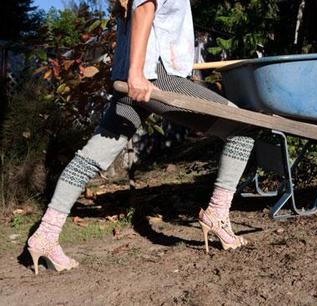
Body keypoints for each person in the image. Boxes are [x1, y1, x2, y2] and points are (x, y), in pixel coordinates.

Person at [27, 0, 256, 274]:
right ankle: (217, 215)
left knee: (92, 156)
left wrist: (134, 72)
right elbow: (145, 8)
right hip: (155, 75)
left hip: (133, 76)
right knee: (242, 127)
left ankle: (46, 234)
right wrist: (138, 73)